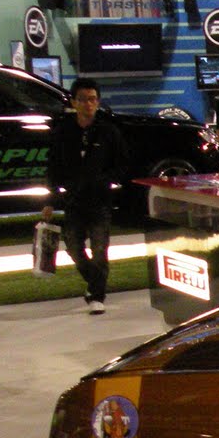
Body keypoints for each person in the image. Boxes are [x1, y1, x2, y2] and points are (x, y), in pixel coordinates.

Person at [44, 78, 126, 314]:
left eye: (92, 99)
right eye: (82, 99)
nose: (88, 104)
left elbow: (122, 164)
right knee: (73, 247)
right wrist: (50, 200)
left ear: (98, 102)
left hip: (100, 200)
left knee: (100, 249)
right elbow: (53, 167)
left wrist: (106, 181)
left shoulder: (108, 132)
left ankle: (97, 295)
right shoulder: (63, 133)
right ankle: (94, 282)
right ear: (73, 102)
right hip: (73, 200)